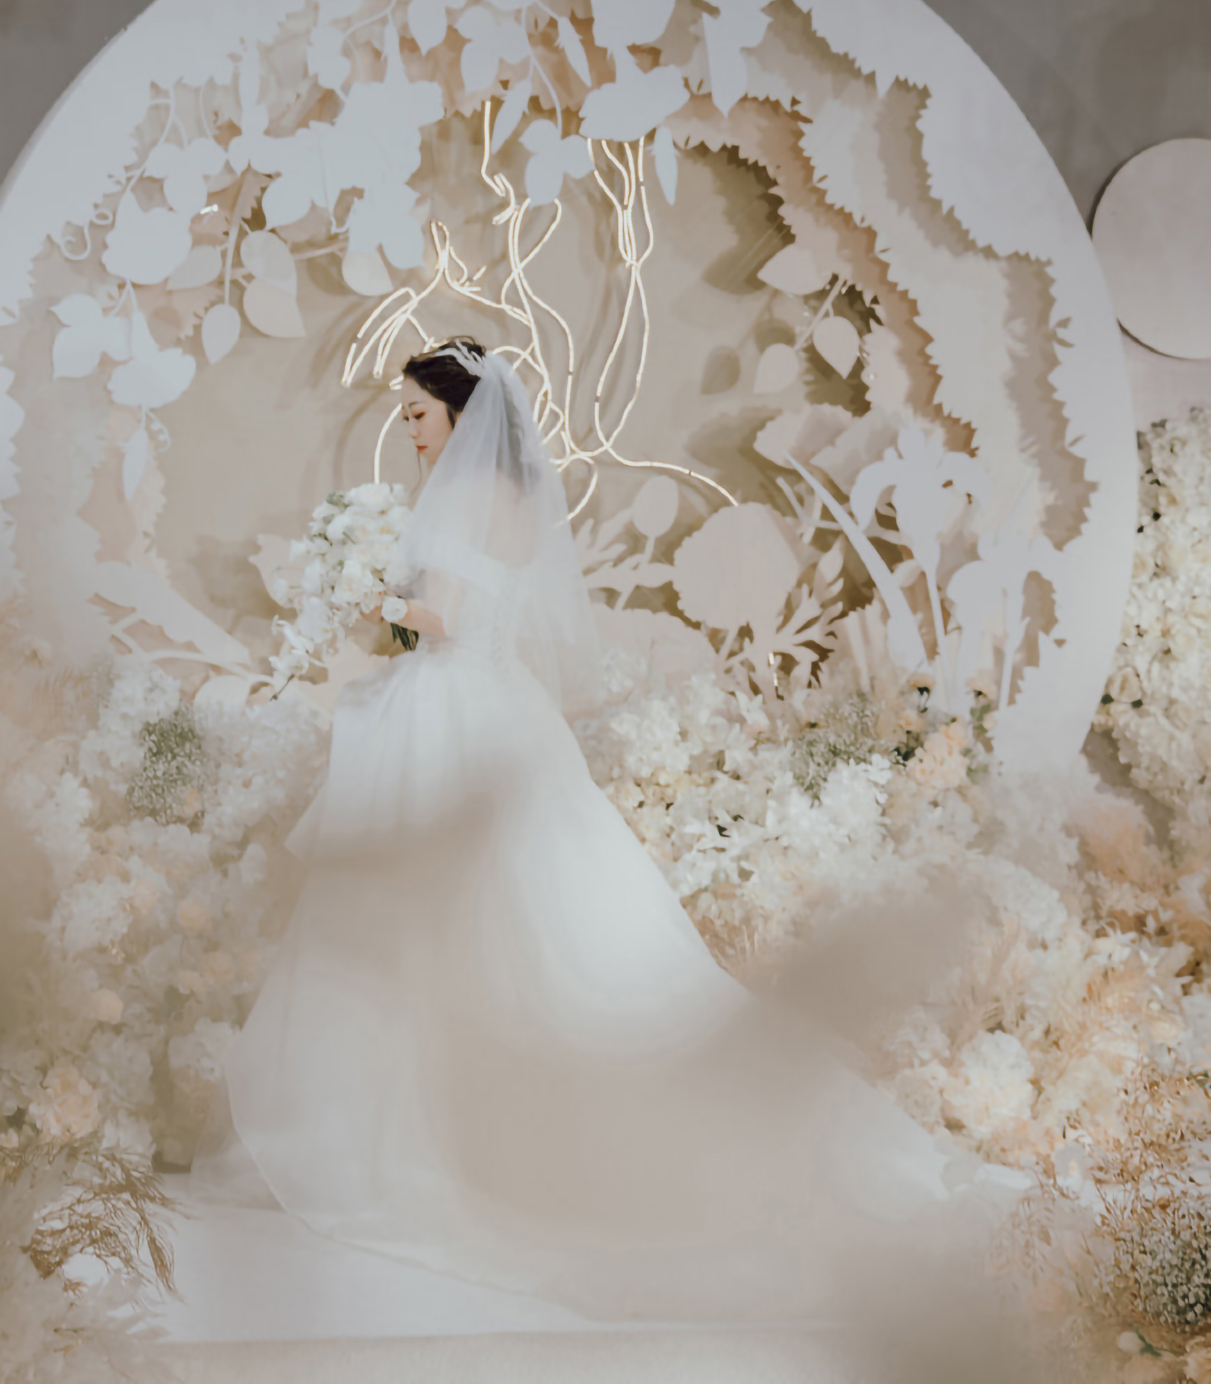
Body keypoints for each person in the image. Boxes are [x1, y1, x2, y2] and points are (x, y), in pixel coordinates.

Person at [206, 337, 1031, 1353]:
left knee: (443, 909)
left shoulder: (462, 496)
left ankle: (408, 1126)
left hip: (453, 708)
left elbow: (447, 619)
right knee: (530, 903)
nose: (409, 431)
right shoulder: (512, 498)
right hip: (499, 709)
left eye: (418, 413)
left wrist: (366, 597)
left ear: (459, 414)